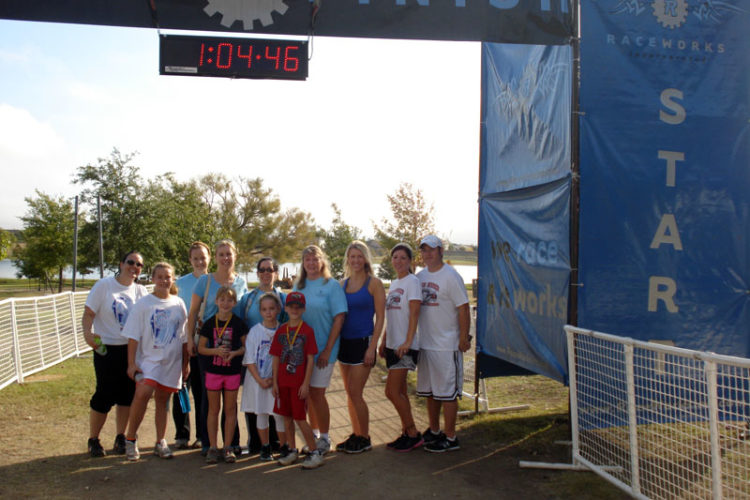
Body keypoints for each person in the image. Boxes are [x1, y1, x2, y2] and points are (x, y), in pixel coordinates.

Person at [82, 251, 149, 457]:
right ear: (121, 264)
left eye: (139, 265)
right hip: (107, 349)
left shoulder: (140, 291)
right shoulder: (104, 286)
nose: (134, 267)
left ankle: (120, 437)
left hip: (130, 350)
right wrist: (87, 334)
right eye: (130, 262)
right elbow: (89, 313)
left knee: (127, 396)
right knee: (104, 394)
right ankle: (94, 439)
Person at [121, 262, 189, 461]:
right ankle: (131, 438)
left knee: (163, 400)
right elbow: (133, 336)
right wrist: (131, 363)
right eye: (159, 277)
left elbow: (184, 338)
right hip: (150, 360)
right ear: (152, 279)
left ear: (172, 279)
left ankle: (160, 441)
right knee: (143, 393)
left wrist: (185, 364)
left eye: (167, 277)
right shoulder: (143, 304)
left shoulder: (179, 304)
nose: (163, 281)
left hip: (172, 362)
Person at [186, 239, 247, 456]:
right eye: (221, 254)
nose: (225, 258)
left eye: (228, 254)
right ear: (216, 257)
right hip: (208, 344)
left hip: (232, 347)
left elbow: (243, 314)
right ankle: (208, 442)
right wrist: (190, 340)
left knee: (231, 398)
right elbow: (193, 312)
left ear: (235, 256)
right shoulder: (205, 281)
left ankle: (231, 443)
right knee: (207, 398)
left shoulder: (241, 283)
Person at [416, 235, 471, 452]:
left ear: (441, 251)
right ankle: (434, 430)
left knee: (447, 393)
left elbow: (463, 308)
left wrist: (463, 336)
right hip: (426, 344)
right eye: (424, 250)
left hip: (447, 344)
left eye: (432, 249)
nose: (428, 254)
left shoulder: (451, 276)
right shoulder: (419, 277)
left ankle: (450, 437)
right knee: (431, 392)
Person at [293, 245, 347, 455]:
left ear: (322, 261)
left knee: (317, 393)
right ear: (303, 263)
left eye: (315, 259)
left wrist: (326, 350)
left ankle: (325, 438)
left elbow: (339, 318)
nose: (311, 263)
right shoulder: (299, 285)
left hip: (324, 350)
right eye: (307, 260)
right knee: (306, 395)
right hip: (302, 352)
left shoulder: (331, 285)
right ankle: (314, 436)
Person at [335, 241, 385, 454]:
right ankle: (356, 434)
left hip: (363, 343)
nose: (355, 260)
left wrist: (372, 347)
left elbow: (381, 317)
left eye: (359, 256)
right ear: (348, 259)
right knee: (349, 393)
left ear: (365, 259)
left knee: (356, 392)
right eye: (352, 256)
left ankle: (364, 438)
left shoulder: (374, 283)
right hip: (344, 344)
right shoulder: (342, 284)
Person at [378, 242, 424, 452]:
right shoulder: (395, 283)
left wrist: (407, 341)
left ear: (410, 261)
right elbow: (392, 315)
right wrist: (385, 339)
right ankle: (406, 432)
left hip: (405, 346)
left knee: (391, 392)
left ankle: (413, 433)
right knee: (401, 391)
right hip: (393, 344)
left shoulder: (412, 282)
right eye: (395, 257)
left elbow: (414, 313)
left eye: (403, 257)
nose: (398, 261)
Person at [238, 257, 286, 452]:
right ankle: (257, 443)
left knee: (275, 404)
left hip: (275, 361)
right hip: (254, 359)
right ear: (257, 273)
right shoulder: (247, 299)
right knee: (255, 404)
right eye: (262, 269)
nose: (266, 273)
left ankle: (277, 443)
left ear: (275, 272)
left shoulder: (282, 298)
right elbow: (239, 324)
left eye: (271, 269)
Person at [270, 292, 323, 469]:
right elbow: (276, 357)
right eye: (291, 306)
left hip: (298, 384)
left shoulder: (307, 330)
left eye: (298, 307)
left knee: (300, 418)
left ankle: (315, 452)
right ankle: (292, 450)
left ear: (303, 309)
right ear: (285, 308)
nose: (294, 309)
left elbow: (310, 359)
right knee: (286, 417)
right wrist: (275, 382)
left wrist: (306, 383)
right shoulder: (281, 330)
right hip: (283, 383)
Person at [197, 286, 247, 464]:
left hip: (232, 372)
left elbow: (245, 347)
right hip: (213, 372)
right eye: (222, 299)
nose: (226, 303)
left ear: (234, 303)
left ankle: (227, 447)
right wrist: (215, 351)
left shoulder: (239, 323)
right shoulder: (210, 323)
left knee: (230, 410)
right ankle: (212, 446)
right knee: (213, 410)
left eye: (229, 300)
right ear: (216, 301)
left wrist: (234, 354)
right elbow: (201, 348)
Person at [173, 241, 211, 450]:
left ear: (209, 258)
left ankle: (201, 434)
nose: (199, 261)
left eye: (202, 257)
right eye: (195, 258)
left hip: (202, 344)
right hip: (181, 342)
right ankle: (181, 433)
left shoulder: (213, 282)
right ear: (190, 260)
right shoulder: (180, 283)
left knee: (201, 392)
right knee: (179, 389)